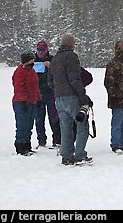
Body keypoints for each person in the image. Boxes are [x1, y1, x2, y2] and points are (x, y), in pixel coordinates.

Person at [48, 33, 93, 166]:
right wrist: (82, 96)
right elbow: (75, 79)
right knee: (82, 125)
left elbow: (49, 82)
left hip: (59, 98)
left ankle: (66, 156)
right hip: (71, 97)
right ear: (71, 44)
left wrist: (59, 90)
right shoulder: (71, 56)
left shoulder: (55, 59)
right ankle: (80, 155)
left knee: (66, 128)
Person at [11, 51, 41, 156]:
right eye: (31, 60)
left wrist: (39, 99)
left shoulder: (32, 71)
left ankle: (27, 145)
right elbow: (18, 87)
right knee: (22, 125)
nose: (33, 62)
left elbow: (35, 87)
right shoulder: (20, 71)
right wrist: (22, 100)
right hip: (21, 103)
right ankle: (20, 147)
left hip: (32, 101)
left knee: (29, 125)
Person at [33, 40, 61, 149]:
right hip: (37, 93)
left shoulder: (53, 60)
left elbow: (59, 73)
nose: (40, 52)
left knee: (53, 118)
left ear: (47, 50)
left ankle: (56, 141)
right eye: (39, 50)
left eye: (43, 50)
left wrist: (51, 67)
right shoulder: (32, 60)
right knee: (39, 118)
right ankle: (41, 141)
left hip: (51, 93)